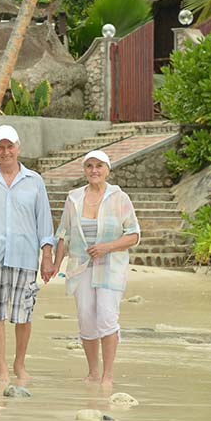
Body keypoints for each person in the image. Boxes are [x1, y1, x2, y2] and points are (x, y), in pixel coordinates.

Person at [0, 124, 55, 383]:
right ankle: (1, 368)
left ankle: (19, 364)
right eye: (0, 147)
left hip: (26, 257)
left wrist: (47, 256)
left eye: (10, 146)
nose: (6, 151)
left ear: (18, 147)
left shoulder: (35, 181)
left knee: (23, 316)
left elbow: (45, 223)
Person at [52, 150, 140, 389]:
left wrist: (107, 247)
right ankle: (92, 372)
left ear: (107, 170)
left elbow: (133, 235)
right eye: (89, 166)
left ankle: (107, 375)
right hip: (81, 267)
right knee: (86, 319)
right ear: (84, 170)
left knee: (107, 317)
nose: (94, 170)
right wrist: (53, 264)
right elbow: (63, 235)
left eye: (99, 166)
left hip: (110, 267)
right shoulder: (73, 198)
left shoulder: (120, 198)